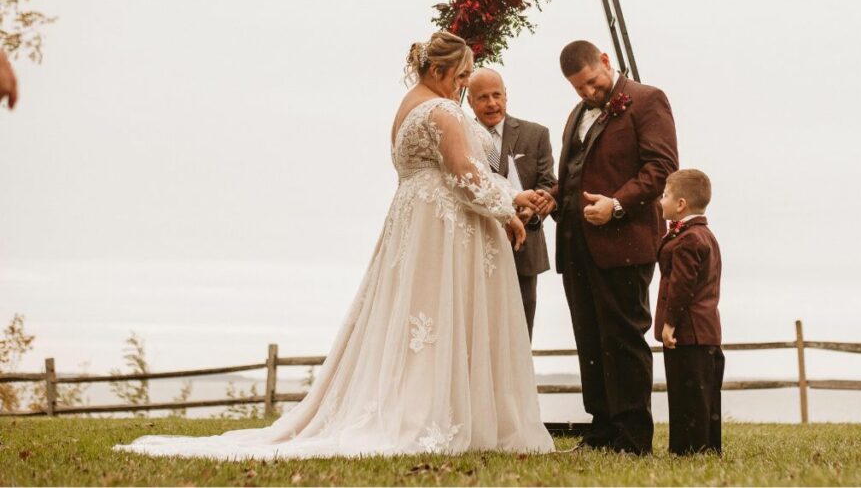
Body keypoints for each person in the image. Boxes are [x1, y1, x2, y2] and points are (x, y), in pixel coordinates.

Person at [115, 32, 555, 459]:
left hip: (415, 223)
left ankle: (434, 405)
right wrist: (508, 208)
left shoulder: (407, 109)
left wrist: (506, 200)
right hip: (441, 226)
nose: (464, 88)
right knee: (440, 313)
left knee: (418, 317)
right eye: (461, 77)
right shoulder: (442, 110)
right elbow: (464, 174)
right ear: (439, 70)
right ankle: (435, 412)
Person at [549, 40, 677, 455]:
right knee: (589, 341)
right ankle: (601, 430)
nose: (587, 93)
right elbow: (575, 173)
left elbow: (662, 168)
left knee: (623, 339)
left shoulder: (647, 100)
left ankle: (633, 438)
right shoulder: (576, 115)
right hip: (575, 245)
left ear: (605, 61)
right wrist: (551, 198)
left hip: (624, 243)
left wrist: (617, 204)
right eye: (579, 89)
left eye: (591, 82)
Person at [467, 68, 556, 341]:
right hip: (476, 246)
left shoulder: (536, 134)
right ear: (470, 101)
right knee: (478, 332)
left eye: (497, 95)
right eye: (483, 97)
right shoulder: (460, 136)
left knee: (519, 335)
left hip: (524, 248)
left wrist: (534, 210)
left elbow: (547, 183)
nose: (492, 103)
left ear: (506, 96)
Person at [655, 169, 724, 455]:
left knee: (688, 393)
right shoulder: (704, 235)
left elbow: (681, 287)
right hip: (706, 331)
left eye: (665, 195)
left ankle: (689, 448)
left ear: (681, 204)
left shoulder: (689, 240)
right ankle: (707, 446)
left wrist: (670, 323)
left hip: (689, 330)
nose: (661, 200)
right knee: (703, 393)